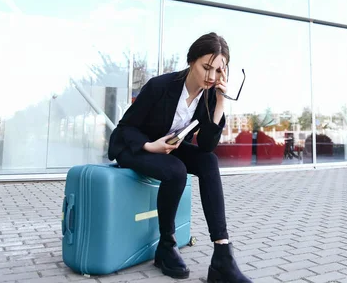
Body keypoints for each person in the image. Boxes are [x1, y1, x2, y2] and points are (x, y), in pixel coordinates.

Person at [108, 32, 252, 283]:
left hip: (171, 147)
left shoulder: (209, 95)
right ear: (191, 61)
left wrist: (220, 102)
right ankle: (166, 245)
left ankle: (222, 254)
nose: (210, 77)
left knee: (209, 162)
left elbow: (207, 146)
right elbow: (125, 127)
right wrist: (151, 146)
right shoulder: (160, 86)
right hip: (137, 147)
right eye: (205, 67)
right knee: (176, 170)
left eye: (218, 71)